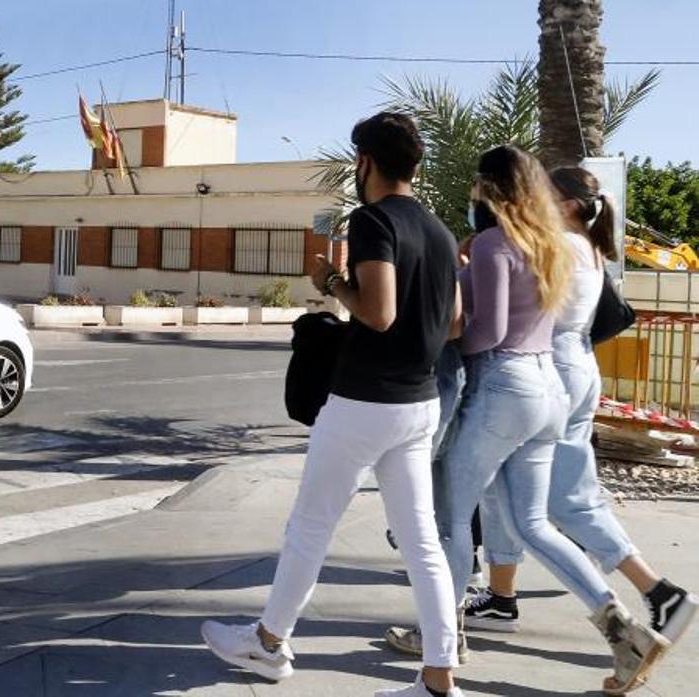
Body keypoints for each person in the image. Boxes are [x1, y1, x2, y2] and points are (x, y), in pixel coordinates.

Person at [201, 112, 465, 697]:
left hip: (363, 402)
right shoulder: (442, 233)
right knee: (422, 540)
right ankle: (438, 677)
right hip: (418, 403)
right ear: (415, 165)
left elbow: (378, 313)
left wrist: (331, 283)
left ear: (365, 162)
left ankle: (269, 645)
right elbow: (452, 325)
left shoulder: (373, 221)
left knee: (310, 526)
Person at [387, 146, 668, 695]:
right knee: (533, 523)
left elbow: (488, 331)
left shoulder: (496, 242)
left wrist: (442, 341)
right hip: (549, 391)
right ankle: (626, 634)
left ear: (490, 188)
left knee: (449, 516)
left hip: (502, 387)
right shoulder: (553, 245)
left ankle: (440, 638)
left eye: (477, 185)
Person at [466, 167, 697, 644]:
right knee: (507, 491)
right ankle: (501, 595)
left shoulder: (565, 246)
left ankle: (657, 591)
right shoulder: (586, 246)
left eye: (545, 196)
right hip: (572, 364)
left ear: (569, 205)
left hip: (551, 366)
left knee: (561, 499)